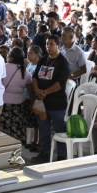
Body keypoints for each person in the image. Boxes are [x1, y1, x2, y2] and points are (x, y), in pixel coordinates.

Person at [32, 34, 70, 163]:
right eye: (47, 44)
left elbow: (60, 83)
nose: (48, 46)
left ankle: (61, 155)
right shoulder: (43, 59)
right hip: (42, 102)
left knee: (60, 129)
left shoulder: (63, 62)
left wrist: (46, 92)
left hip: (56, 103)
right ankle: (45, 153)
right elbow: (35, 77)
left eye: (52, 44)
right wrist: (37, 90)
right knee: (44, 129)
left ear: (58, 45)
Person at [0, 47, 32, 143]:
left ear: (12, 58)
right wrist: (31, 102)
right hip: (18, 106)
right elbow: (30, 90)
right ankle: (16, 150)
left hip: (3, 103)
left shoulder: (3, 67)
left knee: (3, 128)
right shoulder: (25, 72)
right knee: (16, 129)